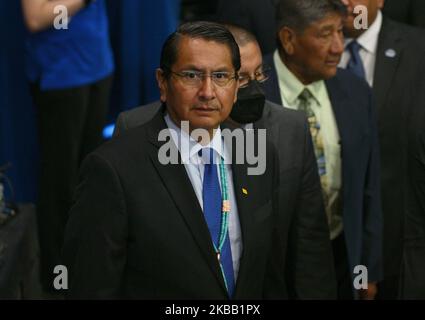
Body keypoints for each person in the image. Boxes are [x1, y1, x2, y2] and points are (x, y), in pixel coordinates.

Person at [62, 21, 286, 299]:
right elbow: (92, 288)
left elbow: (270, 275)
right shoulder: (112, 170)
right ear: (162, 82)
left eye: (221, 76)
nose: (207, 91)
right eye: (191, 75)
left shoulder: (258, 152)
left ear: (235, 86)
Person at [114, 24, 337, 299]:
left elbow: (303, 249)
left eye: (258, 75)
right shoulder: (133, 134)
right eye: (242, 78)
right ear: (164, 81)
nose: (208, 91)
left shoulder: (277, 139)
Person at [263, 0, 383, 299]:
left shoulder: (355, 92)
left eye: (341, 33)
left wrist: (366, 271)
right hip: (271, 269)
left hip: (340, 259)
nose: (338, 47)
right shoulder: (249, 91)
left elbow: (368, 190)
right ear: (289, 39)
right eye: (325, 34)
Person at [21, 0, 114, 292]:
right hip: (61, 75)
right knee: (60, 180)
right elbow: (35, 17)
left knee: (91, 177)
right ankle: (57, 277)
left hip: (97, 65)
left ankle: (86, 262)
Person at [340, 0, 425, 299]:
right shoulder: (302, 51)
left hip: (405, 248)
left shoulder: (419, 50)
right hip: (330, 248)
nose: (345, 2)